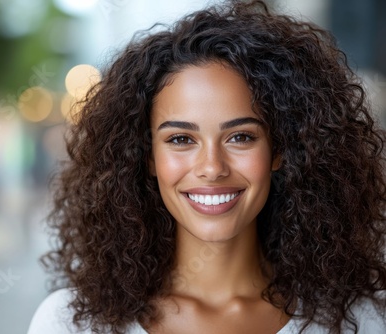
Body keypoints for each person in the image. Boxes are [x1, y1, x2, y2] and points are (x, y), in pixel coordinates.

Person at [27, 0, 386, 333]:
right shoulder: (69, 323)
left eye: (241, 137)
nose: (212, 168)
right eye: (181, 139)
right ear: (148, 157)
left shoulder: (361, 320)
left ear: (280, 150)